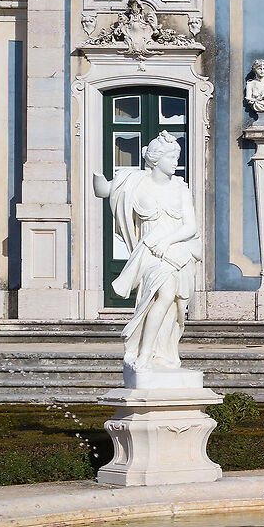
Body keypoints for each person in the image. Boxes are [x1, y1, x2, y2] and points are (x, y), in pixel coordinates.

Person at [92, 131, 202, 374]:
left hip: (177, 251)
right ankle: (143, 354)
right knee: (164, 294)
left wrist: (167, 241)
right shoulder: (134, 182)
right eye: (171, 157)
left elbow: (191, 227)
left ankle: (157, 354)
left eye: (177, 157)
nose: (175, 161)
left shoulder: (180, 188)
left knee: (173, 304)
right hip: (149, 253)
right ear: (156, 158)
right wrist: (98, 179)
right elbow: (106, 191)